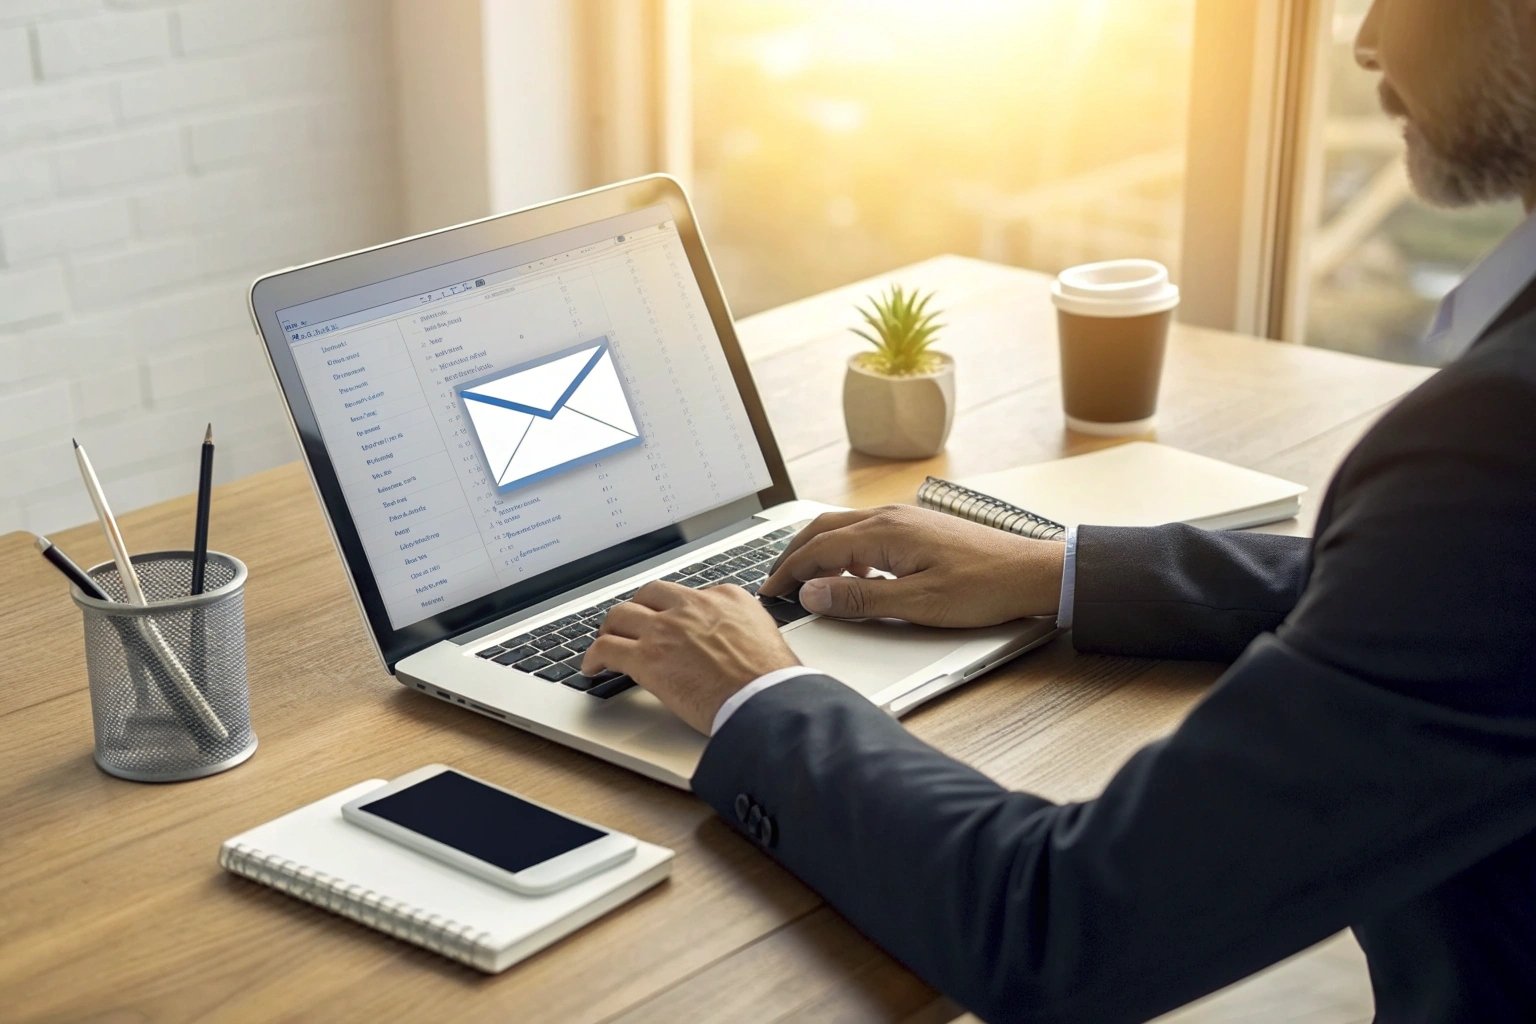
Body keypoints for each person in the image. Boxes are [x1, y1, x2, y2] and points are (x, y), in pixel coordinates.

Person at [581, 0, 1536, 1018]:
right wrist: (1058, 569)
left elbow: (1059, 926)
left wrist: (756, 698)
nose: (1365, 36)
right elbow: (1472, 603)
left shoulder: (1494, 441)